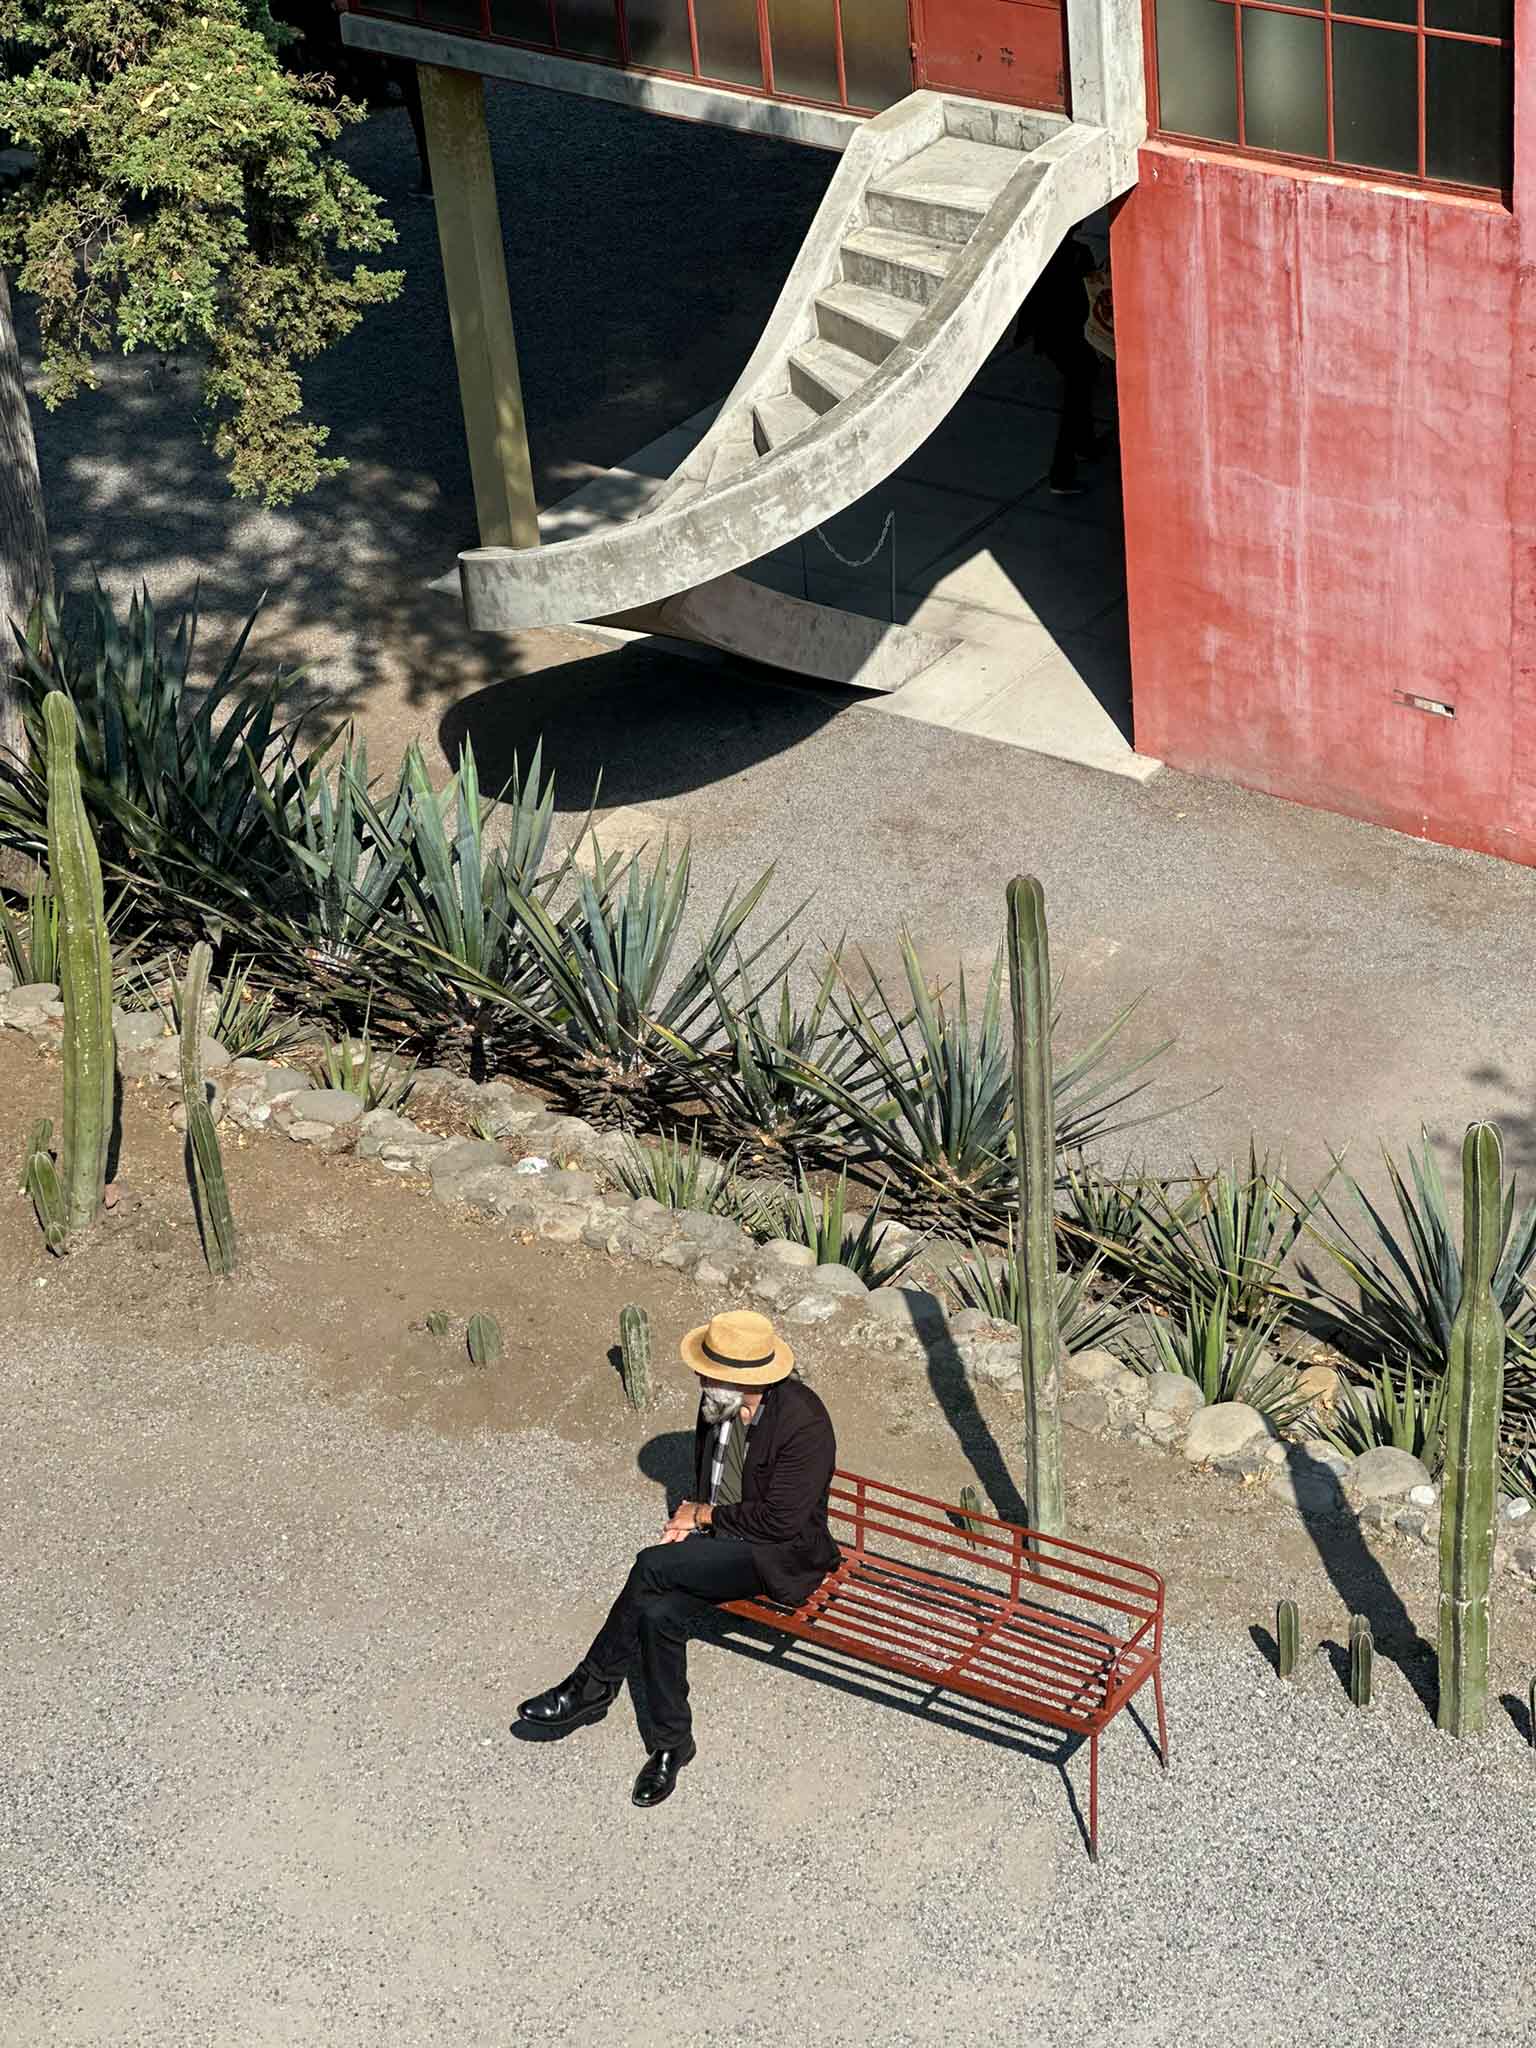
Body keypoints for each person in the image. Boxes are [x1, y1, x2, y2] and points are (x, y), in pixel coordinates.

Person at [516, 1309, 841, 1809]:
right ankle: (672, 1746)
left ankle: (590, 1687)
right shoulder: (719, 1403)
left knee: (651, 1566)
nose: (698, 1377)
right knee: (656, 1611)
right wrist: (690, 1520)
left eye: (709, 1371)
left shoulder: (804, 1423)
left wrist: (700, 1516)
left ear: (742, 1377)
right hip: (724, 1542)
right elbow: (710, 1478)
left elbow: (782, 1524)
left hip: (780, 1555)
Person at [1012, 233, 1102, 496]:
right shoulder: (1079, 253)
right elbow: (1092, 291)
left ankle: (1085, 445)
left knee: (1080, 384)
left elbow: (1029, 296)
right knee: (1077, 393)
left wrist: (1023, 332)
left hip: (1051, 335)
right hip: (1072, 333)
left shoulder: (1040, 251)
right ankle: (1062, 474)